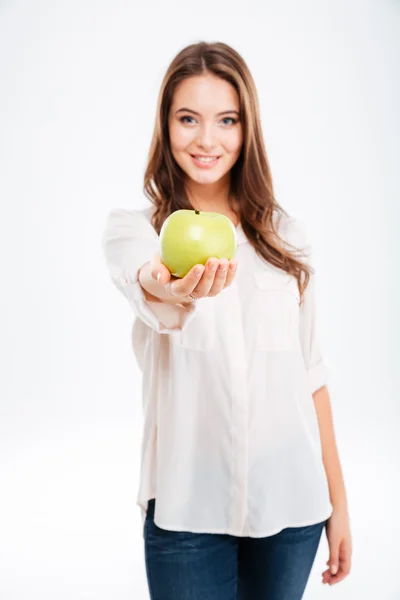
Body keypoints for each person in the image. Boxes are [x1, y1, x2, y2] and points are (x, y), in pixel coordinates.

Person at [101, 41, 352, 600]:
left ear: (247, 128)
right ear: (165, 125)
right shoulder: (138, 230)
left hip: (292, 506)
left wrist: (339, 504)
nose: (206, 139)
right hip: (188, 510)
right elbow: (147, 282)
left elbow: (312, 376)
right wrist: (168, 285)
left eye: (227, 120)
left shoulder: (286, 237)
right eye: (188, 118)